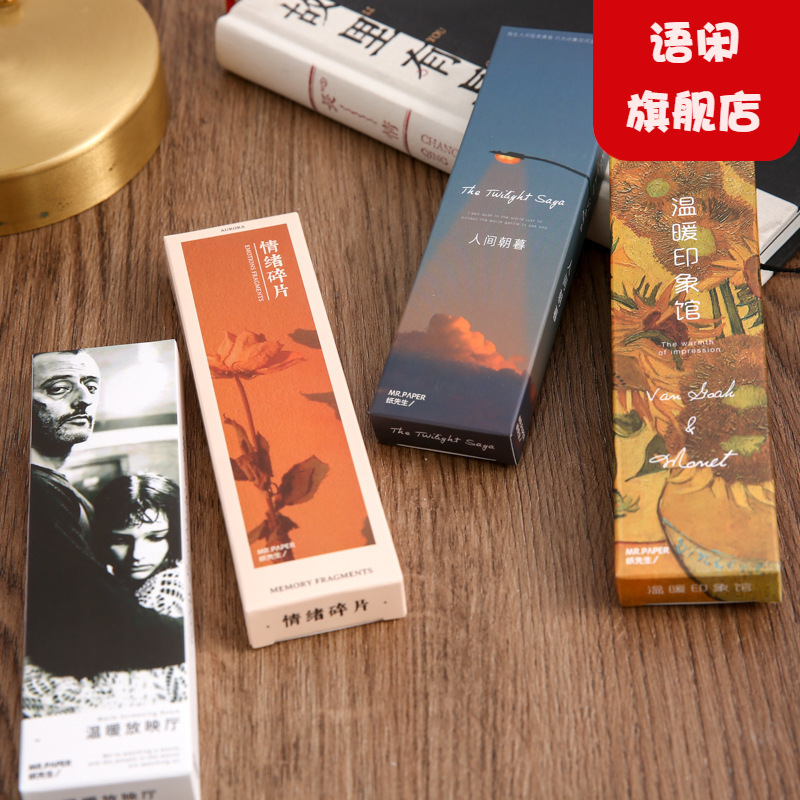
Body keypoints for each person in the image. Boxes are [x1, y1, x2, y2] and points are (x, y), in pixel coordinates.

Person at [26, 350, 184, 680]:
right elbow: (104, 624)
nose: (84, 400)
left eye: (91, 386)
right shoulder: (37, 490)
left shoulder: (53, 486)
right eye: (59, 388)